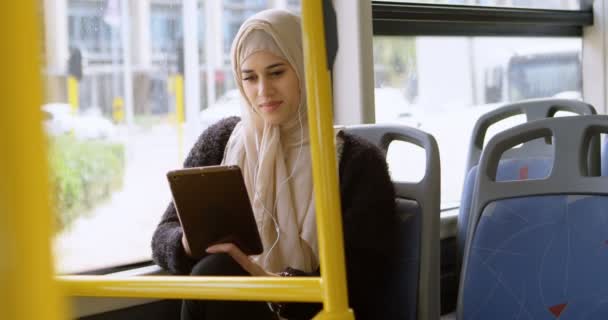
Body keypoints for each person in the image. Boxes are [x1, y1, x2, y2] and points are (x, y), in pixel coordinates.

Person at [151, 9, 396, 320]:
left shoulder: (358, 163)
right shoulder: (221, 141)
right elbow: (161, 237)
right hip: (239, 305)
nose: (263, 91)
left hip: (312, 313)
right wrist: (187, 243)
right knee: (216, 269)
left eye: (277, 72)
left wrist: (273, 286)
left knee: (219, 273)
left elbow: (363, 284)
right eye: (250, 78)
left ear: (305, 70)